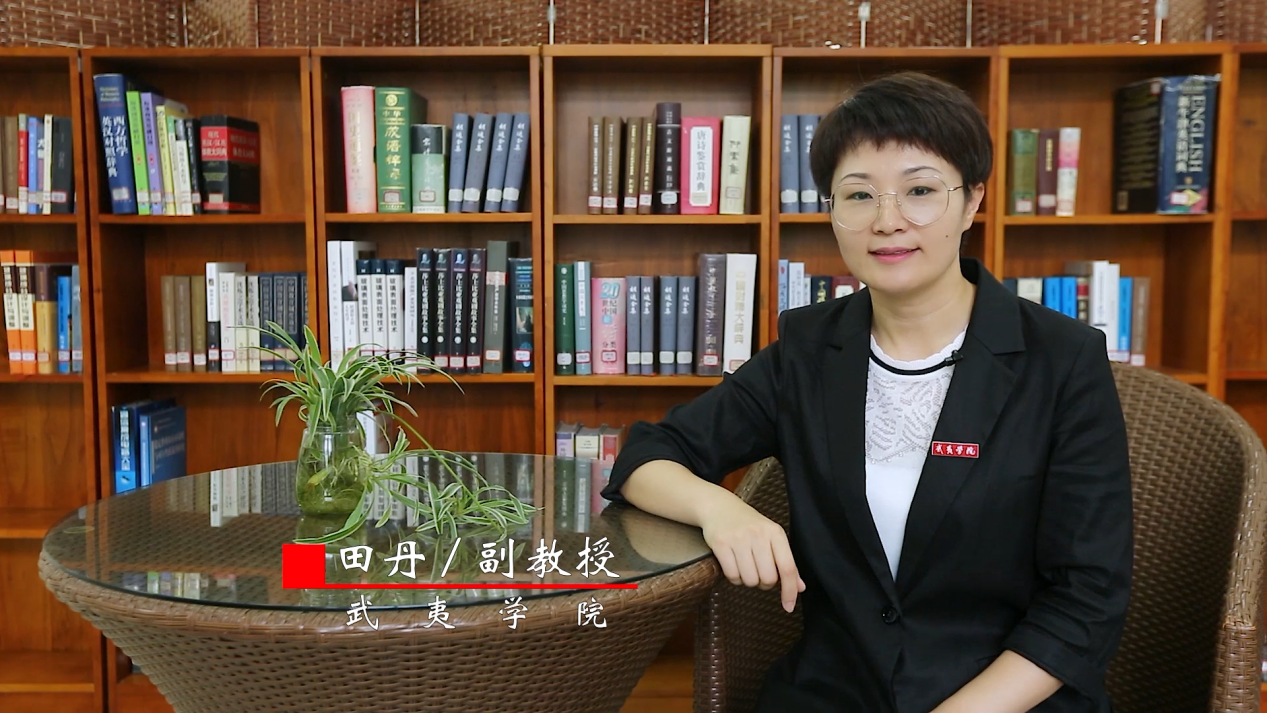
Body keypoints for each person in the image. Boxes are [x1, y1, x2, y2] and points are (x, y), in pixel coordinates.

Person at [601, 71, 1133, 713]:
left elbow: (1087, 598)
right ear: (832, 210)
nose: (887, 221)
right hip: (834, 693)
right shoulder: (808, 351)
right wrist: (723, 510)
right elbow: (648, 456)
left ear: (972, 201)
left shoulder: (1063, 360)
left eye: (920, 191)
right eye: (859, 195)